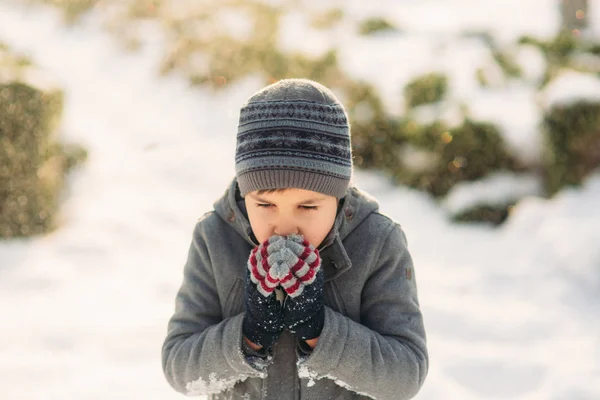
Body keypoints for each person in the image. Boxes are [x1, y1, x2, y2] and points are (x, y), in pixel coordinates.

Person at [161, 78, 428, 400]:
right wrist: (250, 335)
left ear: (338, 196)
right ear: (245, 195)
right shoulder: (214, 238)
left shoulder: (377, 242)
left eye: (307, 206)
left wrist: (320, 330)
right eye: (265, 205)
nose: (284, 227)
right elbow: (179, 366)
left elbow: (405, 377)